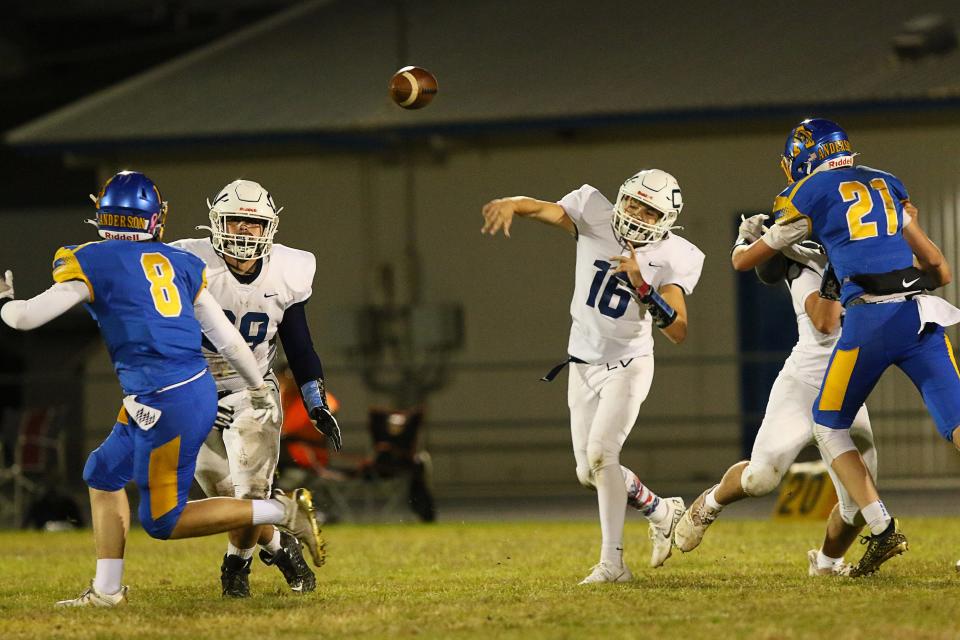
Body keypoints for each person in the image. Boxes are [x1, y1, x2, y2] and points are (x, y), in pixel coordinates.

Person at [0, 171, 324, 607]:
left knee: (162, 520)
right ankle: (108, 590)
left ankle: (280, 513)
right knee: (102, 472)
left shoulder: (91, 259)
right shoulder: (182, 262)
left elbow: (24, 319)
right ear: (156, 218)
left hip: (163, 399)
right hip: (184, 390)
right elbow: (228, 339)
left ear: (103, 213)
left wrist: (5, 299)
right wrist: (260, 389)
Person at [731, 118, 960, 577]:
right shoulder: (887, 183)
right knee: (957, 425)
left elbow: (744, 262)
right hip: (922, 316)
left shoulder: (805, 195)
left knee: (828, 425)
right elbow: (939, 268)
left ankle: (880, 527)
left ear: (803, 157)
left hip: (871, 321)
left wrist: (756, 236)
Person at [481, 169, 704, 583]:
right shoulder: (594, 212)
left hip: (629, 364)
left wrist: (644, 287)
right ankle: (660, 509)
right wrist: (514, 202)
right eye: (633, 202)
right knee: (589, 473)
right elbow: (546, 210)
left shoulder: (675, 254)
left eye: (649, 210)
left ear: (667, 219)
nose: (636, 214)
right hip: (581, 364)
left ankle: (613, 564)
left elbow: (678, 331)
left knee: (604, 455)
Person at [171, 179, 341, 598]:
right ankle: (281, 546)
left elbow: (299, 345)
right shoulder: (189, 262)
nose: (244, 231)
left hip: (253, 389)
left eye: (253, 222)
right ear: (216, 223)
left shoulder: (288, 270)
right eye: (236, 221)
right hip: (194, 389)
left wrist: (315, 401)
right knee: (225, 498)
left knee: (250, 493)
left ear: (269, 228)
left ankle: (236, 568)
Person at [674, 237, 877, 576]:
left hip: (846, 388)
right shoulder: (805, 260)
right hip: (804, 386)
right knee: (760, 479)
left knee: (860, 502)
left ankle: (827, 563)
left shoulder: (869, 253)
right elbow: (825, 323)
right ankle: (710, 503)